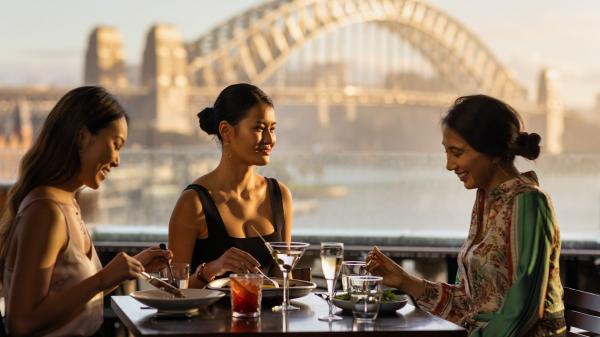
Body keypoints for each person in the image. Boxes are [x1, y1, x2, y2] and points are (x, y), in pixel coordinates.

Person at [367, 95, 565, 336]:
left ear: (493, 152)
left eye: (457, 152)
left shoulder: (530, 203)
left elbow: (523, 310)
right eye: (447, 152)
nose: (449, 165)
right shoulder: (486, 201)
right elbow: (470, 304)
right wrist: (405, 281)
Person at [0, 86, 172, 337]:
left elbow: (70, 300)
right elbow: (22, 323)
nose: (117, 161)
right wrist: (103, 278)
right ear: (82, 137)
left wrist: (122, 272)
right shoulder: (45, 212)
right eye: (116, 144)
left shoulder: (67, 203)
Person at [168, 83, 292, 288]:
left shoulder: (280, 195)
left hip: (268, 320)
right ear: (226, 131)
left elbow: (283, 282)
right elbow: (173, 290)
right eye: (259, 129)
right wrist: (212, 269)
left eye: (273, 129)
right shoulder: (193, 202)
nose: (269, 139)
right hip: (207, 320)